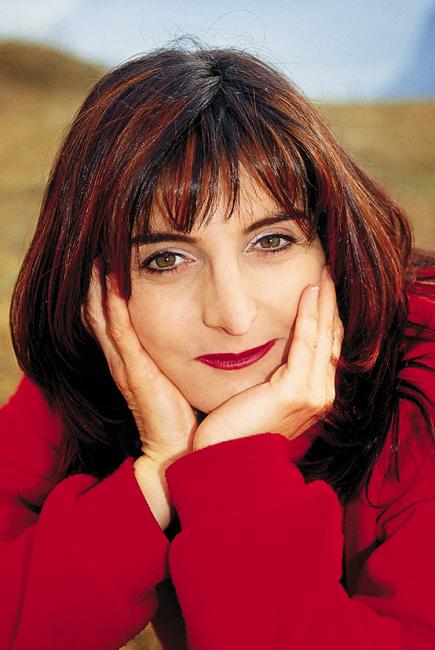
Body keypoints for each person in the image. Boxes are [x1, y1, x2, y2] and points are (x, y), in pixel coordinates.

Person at [1, 42, 434, 650]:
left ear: (333, 242)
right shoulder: (101, 371)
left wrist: (233, 468)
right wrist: (159, 472)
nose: (233, 315)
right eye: (166, 259)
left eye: (272, 242)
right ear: (97, 283)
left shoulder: (423, 387)